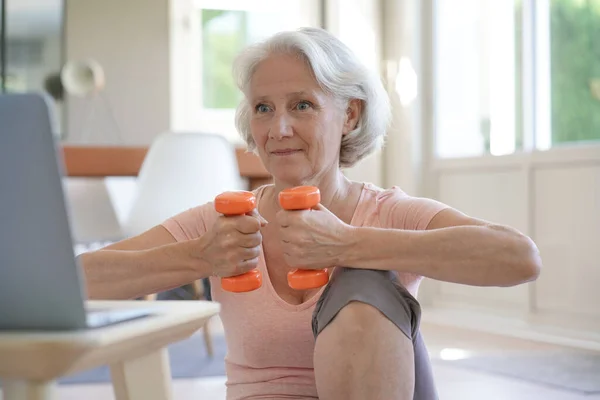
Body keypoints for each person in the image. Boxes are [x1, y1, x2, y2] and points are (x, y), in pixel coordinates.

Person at [80, 27, 542, 400]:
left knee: (363, 284)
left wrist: (349, 244)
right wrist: (200, 257)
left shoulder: (386, 212)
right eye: (264, 108)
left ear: (350, 117)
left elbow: (519, 258)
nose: (279, 128)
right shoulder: (222, 226)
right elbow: (77, 281)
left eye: (302, 105)